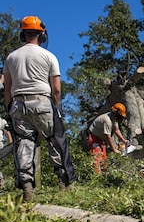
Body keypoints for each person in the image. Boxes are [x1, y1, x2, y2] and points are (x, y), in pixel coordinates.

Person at [3, 15, 77, 201]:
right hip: (42, 101)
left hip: (18, 104)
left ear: (23, 34)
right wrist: (56, 106)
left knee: (24, 144)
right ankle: (64, 183)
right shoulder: (48, 56)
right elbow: (57, 88)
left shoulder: (11, 57)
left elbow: (8, 89)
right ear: (42, 35)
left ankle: (27, 188)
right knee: (55, 141)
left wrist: (10, 107)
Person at [88, 103, 129, 173]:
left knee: (104, 158)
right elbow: (108, 137)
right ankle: (96, 178)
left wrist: (124, 140)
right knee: (97, 158)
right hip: (94, 138)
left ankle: (104, 177)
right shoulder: (107, 120)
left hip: (100, 139)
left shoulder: (113, 119)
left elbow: (116, 130)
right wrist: (114, 150)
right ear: (116, 114)